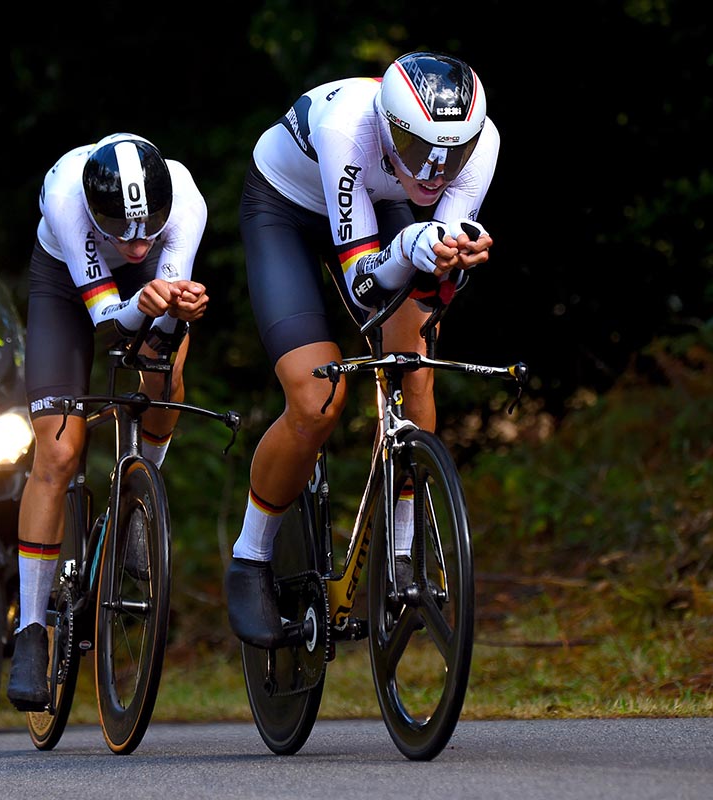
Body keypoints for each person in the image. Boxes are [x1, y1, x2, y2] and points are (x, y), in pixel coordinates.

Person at [225, 51, 500, 647]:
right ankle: (251, 556)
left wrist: (450, 260)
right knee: (318, 397)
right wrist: (413, 247)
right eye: (419, 146)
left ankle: (401, 554)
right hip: (288, 210)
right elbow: (366, 284)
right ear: (389, 124)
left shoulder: (478, 145)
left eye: (449, 154)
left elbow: (439, 272)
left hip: (382, 202)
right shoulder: (347, 126)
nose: (433, 170)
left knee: (415, 372)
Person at [6, 132, 209, 711]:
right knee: (60, 450)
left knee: (162, 383)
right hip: (71, 291)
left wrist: (176, 309)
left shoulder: (186, 199)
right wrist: (143, 304)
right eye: (122, 231)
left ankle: (139, 500)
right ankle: (32, 631)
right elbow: (110, 325)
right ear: (98, 214)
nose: (139, 244)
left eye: (150, 230)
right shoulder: (68, 196)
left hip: (142, 301)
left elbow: (157, 337)